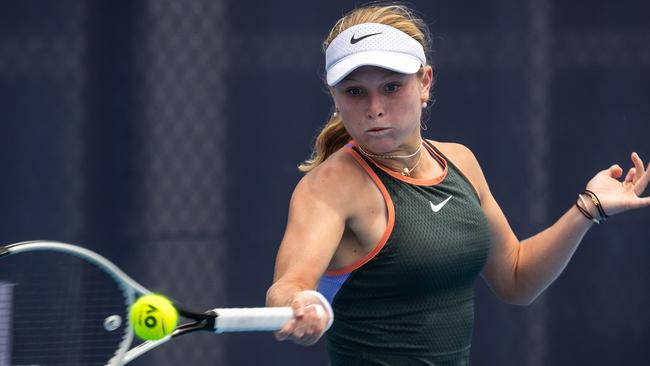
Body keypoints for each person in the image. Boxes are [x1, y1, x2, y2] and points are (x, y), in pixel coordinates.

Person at [266, 3, 650, 365]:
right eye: (354, 92)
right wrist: (299, 304)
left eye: (391, 86)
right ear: (335, 96)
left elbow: (516, 279)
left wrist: (587, 208)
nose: (375, 107)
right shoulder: (330, 186)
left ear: (425, 83)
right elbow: (289, 284)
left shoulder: (460, 162)